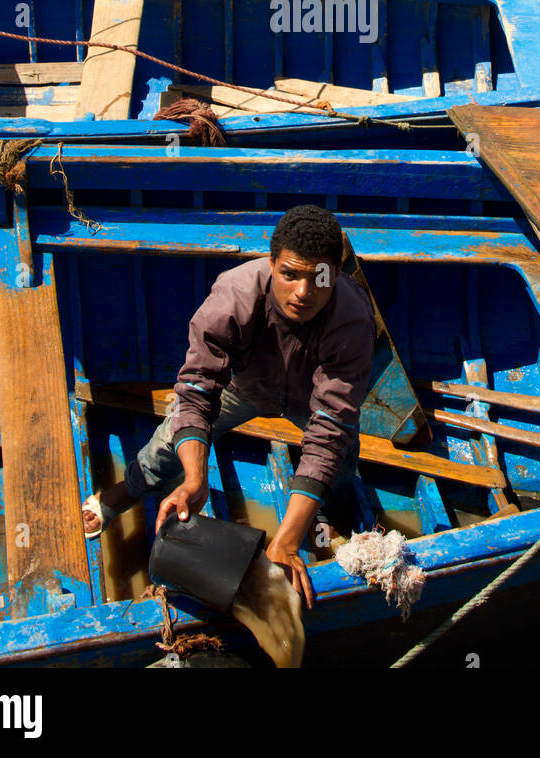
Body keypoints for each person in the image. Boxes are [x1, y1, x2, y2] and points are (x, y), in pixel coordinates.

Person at [82, 204, 376, 606]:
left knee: (341, 457)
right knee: (168, 442)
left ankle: (316, 517)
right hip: (243, 387)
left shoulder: (353, 318)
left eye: (318, 278)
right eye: (289, 274)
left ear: (336, 273)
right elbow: (197, 389)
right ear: (271, 263)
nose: (303, 293)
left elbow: (330, 426)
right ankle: (122, 494)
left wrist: (283, 541)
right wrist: (195, 477)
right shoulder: (235, 295)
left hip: (310, 400)